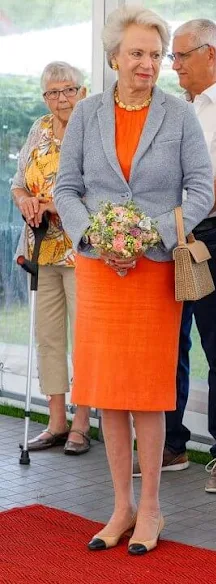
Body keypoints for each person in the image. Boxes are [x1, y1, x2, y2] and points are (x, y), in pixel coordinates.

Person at [55, 6, 213, 554]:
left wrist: (149, 239)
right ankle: (120, 506)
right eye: (137, 54)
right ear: (115, 58)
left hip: (152, 273)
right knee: (107, 394)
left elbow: (201, 190)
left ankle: (151, 510)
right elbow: (65, 190)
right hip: (100, 273)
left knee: (147, 394)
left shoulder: (180, 116)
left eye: (155, 54)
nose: (147, 64)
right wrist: (98, 240)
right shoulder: (87, 113)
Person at [132, 19, 216, 493]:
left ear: (211, 54)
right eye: (173, 57)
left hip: (210, 239)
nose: (173, 65)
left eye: (180, 56)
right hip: (170, 240)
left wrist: (174, 220)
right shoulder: (169, 111)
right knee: (170, 346)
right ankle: (172, 444)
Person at [11, 61, 91, 456]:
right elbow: (17, 183)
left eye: (68, 90)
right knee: (48, 337)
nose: (61, 99)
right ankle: (56, 420)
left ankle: (81, 423)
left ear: (82, 90)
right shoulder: (39, 128)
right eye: (53, 93)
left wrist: (49, 204)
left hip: (81, 252)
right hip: (41, 249)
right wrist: (27, 200)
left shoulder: (91, 130)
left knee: (84, 339)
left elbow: (93, 193)